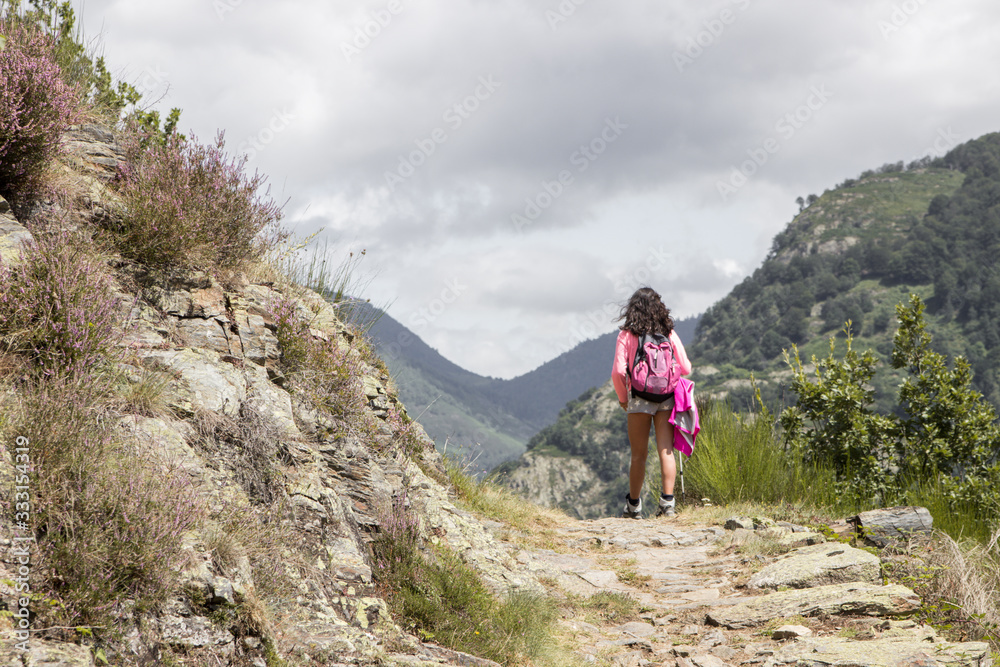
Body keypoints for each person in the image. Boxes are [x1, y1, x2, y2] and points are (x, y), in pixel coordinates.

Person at [611, 287, 692, 519]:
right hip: (666, 398)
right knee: (666, 451)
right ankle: (667, 505)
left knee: (638, 455)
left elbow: (618, 372)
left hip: (639, 398)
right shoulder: (668, 332)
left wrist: (623, 399)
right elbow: (685, 367)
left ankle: (634, 507)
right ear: (659, 307)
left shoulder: (627, 334)